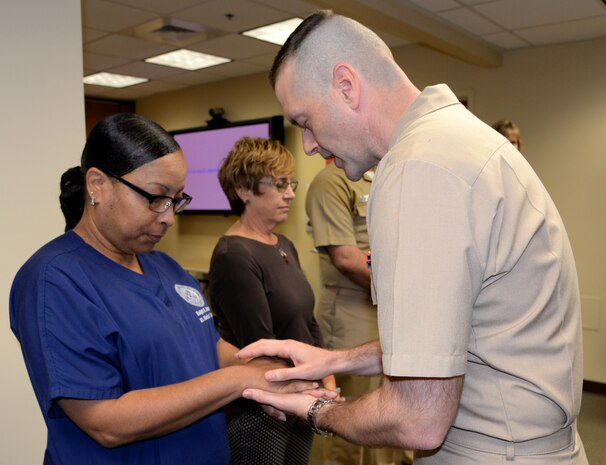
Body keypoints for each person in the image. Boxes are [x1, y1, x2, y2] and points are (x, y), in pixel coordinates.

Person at [236, 10, 588, 465]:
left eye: (304, 120)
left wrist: (316, 410)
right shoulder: (456, 139)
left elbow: (418, 418)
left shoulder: (420, 168)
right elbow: (453, 336)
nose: (308, 145)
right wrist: (333, 360)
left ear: (346, 85)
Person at [9, 113, 317, 465]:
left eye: (176, 199)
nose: (169, 216)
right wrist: (238, 379)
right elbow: (105, 422)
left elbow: (210, 347)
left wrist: (273, 371)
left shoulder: (165, 267)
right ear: (97, 184)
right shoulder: (54, 280)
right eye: (156, 197)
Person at [208, 136, 333, 465]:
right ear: (244, 191)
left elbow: (306, 320)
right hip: (261, 405)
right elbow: (258, 345)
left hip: (301, 392)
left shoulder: (284, 244)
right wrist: (310, 385)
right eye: (279, 184)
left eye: (290, 183)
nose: (290, 193)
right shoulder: (233, 254)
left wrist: (326, 374)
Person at [306, 161, 407, 465]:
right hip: (353, 309)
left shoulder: (389, 176)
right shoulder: (331, 182)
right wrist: (404, 287)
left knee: (391, 414)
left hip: (392, 310)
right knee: (349, 420)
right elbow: (346, 257)